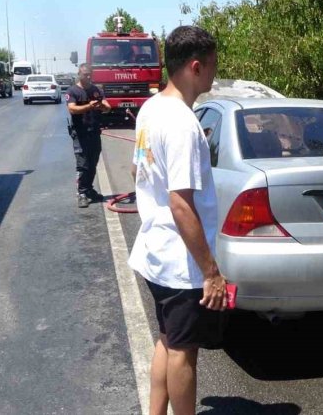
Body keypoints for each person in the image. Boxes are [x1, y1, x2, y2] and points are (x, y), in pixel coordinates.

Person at [128, 26, 228, 415]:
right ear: (196, 66)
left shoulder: (150, 109)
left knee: (167, 341)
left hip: (155, 252)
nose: (215, 74)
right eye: (214, 66)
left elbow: (138, 172)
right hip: (180, 263)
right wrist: (211, 271)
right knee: (184, 354)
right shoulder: (183, 123)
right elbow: (180, 204)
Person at [67, 63, 111, 208]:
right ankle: (81, 193)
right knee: (83, 165)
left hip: (94, 132)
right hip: (80, 134)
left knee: (93, 163)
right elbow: (72, 109)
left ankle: (89, 189)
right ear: (79, 74)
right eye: (85, 74)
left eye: (90, 74)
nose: (88, 77)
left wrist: (102, 106)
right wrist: (89, 106)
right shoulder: (73, 91)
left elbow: (107, 107)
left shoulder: (96, 90)